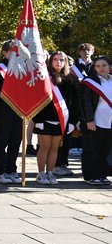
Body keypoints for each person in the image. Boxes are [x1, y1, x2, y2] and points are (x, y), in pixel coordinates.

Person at [33, 51, 78, 184]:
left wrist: (72, 122)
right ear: (50, 61)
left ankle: (50, 173)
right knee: (45, 147)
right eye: (56, 59)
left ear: (65, 63)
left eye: (61, 60)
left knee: (55, 148)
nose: (58, 62)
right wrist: (38, 119)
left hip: (62, 119)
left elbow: (74, 103)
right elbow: (38, 100)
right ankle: (41, 174)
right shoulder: (44, 77)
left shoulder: (71, 79)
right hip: (45, 119)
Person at [0, 41, 23, 184]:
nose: (15, 54)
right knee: (2, 142)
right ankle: (1, 171)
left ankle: (12, 170)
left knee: (15, 142)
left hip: (19, 112)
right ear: (5, 53)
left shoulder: (23, 69)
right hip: (4, 111)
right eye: (11, 51)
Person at [80, 55, 112, 186]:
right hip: (96, 121)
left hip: (110, 121)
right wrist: (89, 120)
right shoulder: (90, 82)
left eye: (104, 65)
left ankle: (102, 174)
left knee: (106, 149)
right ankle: (90, 175)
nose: (101, 68)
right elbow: (85, 102)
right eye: (98, 66)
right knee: (92, 149)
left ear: (110, 67)